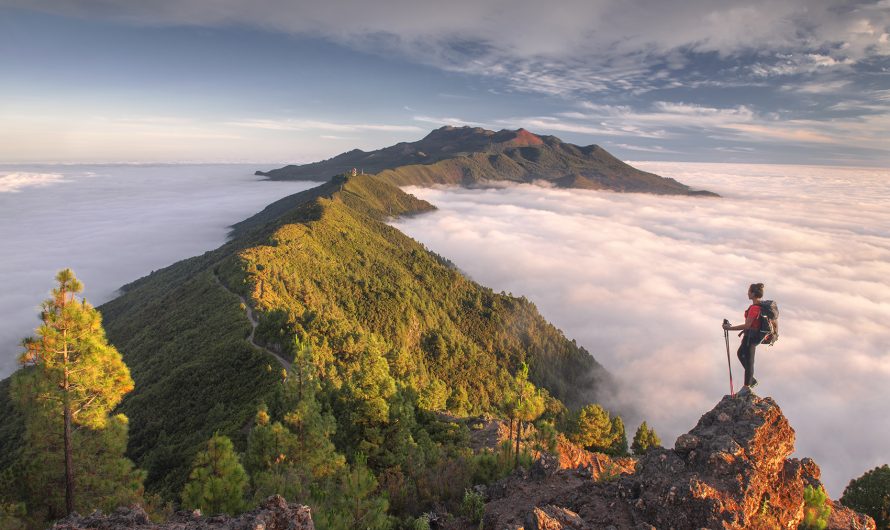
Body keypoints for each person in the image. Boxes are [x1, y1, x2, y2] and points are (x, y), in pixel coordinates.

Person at [723, 283, 764, 393]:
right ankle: (751, 380)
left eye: (749, 291)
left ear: (754, 293)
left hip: (751, 337)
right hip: (753, 336)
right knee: (741, 354)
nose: (748, 293)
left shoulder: (754, 308)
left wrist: (729, 329)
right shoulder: (760, 306)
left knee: (749, 360)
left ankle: (747, 386)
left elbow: (747, 325)